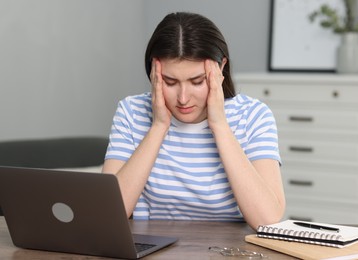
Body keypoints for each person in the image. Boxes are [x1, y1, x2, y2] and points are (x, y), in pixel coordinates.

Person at [102, 12, 285, 229]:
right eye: (170, 82)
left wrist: (219, 125)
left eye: (197, 81)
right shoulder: (131, 112)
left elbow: (268, 220)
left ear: (220, 68)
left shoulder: (253, 116)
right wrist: (159, 126)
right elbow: (107, 214)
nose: (183, 98)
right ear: (154, 72)